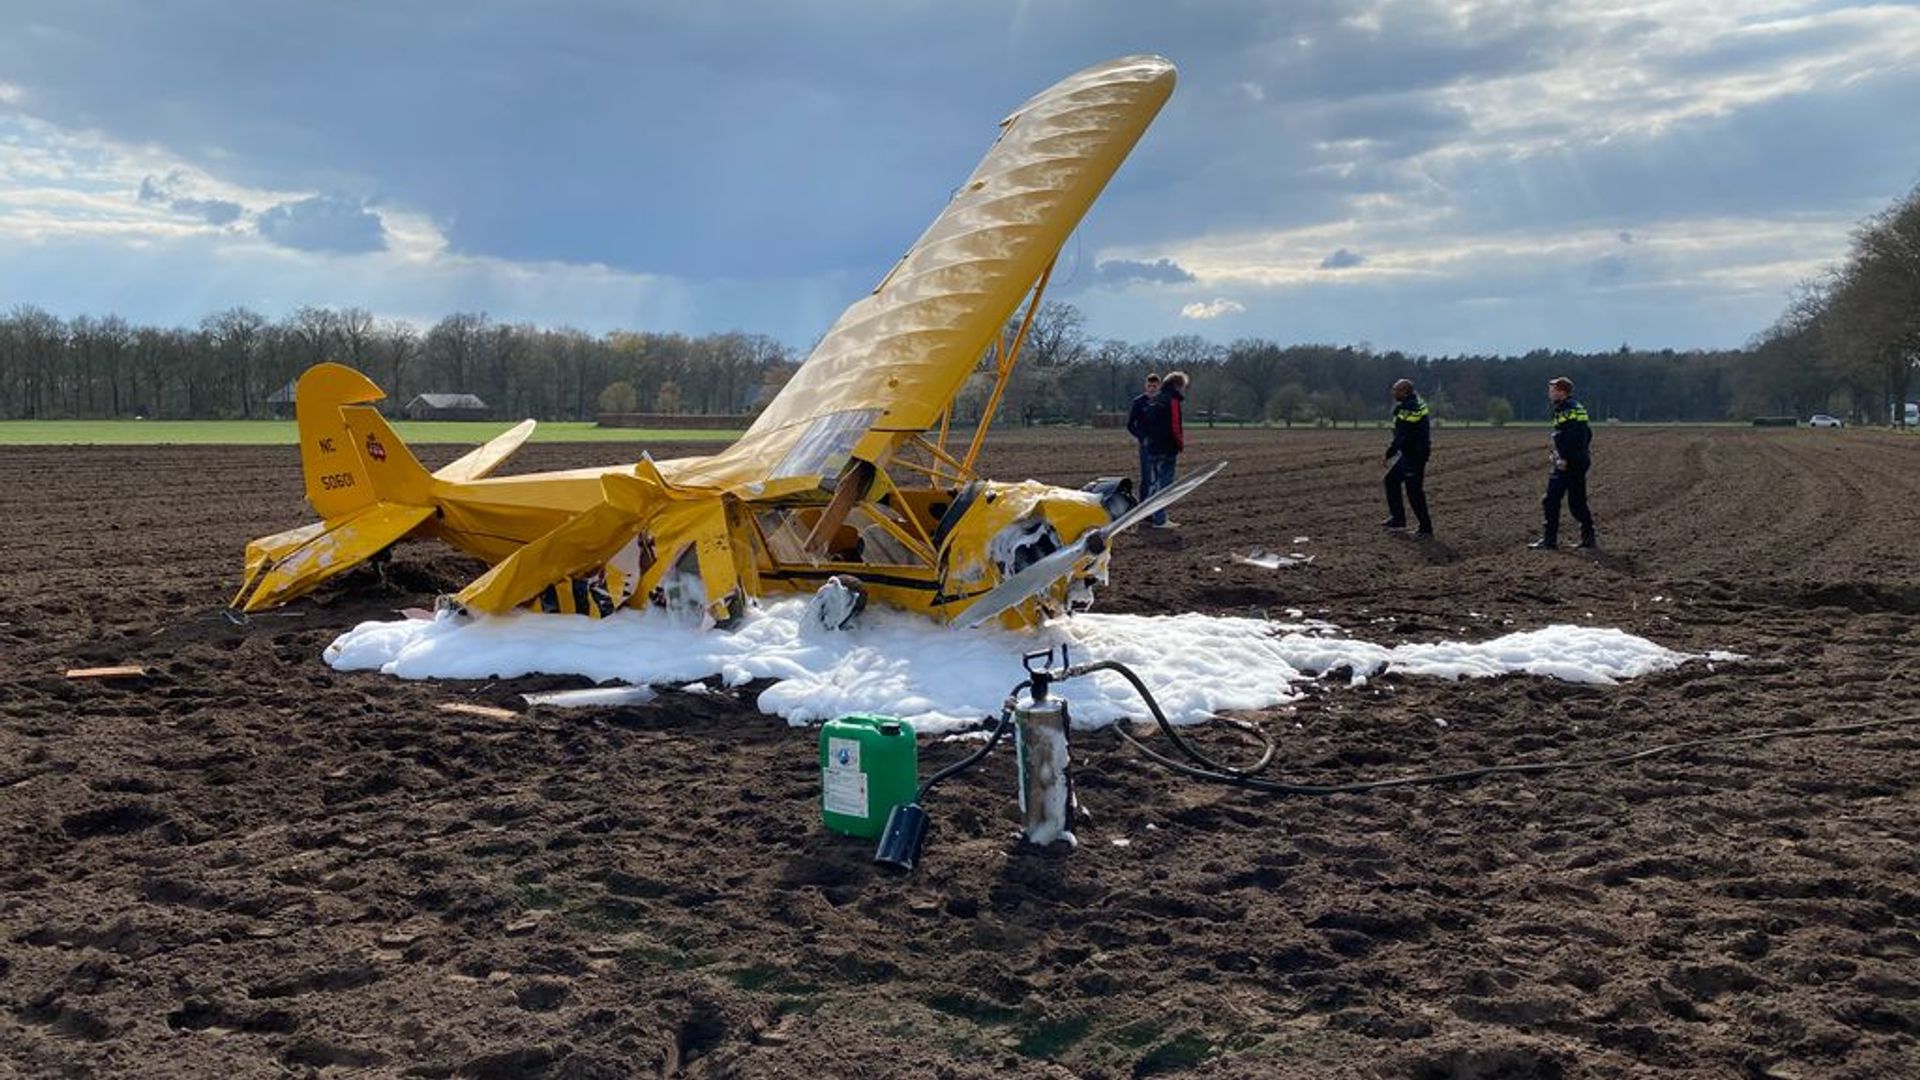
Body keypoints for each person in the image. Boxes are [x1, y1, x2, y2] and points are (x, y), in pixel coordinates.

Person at [1531, 376, 1596, 549]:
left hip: (1568, 462)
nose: (1549, 393)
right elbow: (1587, 434)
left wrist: (1563, 458)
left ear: (1561, 391)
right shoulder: (1577, 407)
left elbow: (1570, 436)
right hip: (1580, 459)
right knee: (1577, 502)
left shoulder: (1566, 409)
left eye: (1552, 390)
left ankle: (1549, 540)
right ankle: (1588, 538)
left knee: (1551, 499)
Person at [1381, 378, 1433, 536]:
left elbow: (1402, 435)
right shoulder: (1413, 403)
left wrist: (1389, 453)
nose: (1393, 393)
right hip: (1409, 453)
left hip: (1415, 456)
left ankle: (1425, 529)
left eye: (1396, 390)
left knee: (1414, 492)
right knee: (1391, 480)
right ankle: (1398, 519)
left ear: (1405, 392)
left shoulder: (1410, 409)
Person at [1142, 370, 1187, 527]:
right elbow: (1175, 425)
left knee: (1153, 484)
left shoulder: (1156, 399)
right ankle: (1160, 519)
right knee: (1165, 485)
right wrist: (1180, 443)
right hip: (1167, 449)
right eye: (1183, 386)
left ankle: (1147, 516)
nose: (1183, 390)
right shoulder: (1172, 401)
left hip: (1152, 448)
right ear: (1177, 385)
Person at [1125, 372, 1161, 505]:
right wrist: (1141, 437)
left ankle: (1156, 507)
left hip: (1161, 445)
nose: (1152, 388)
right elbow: (1130, 425)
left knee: (1159, 478)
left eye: (1155, 386)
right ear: (1146, 386)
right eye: (1149, 385)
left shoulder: (1163, 401)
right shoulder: (1139, 402)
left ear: (1159, 387)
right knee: (1146, 477)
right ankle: (1144, 506)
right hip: (1146, 445)